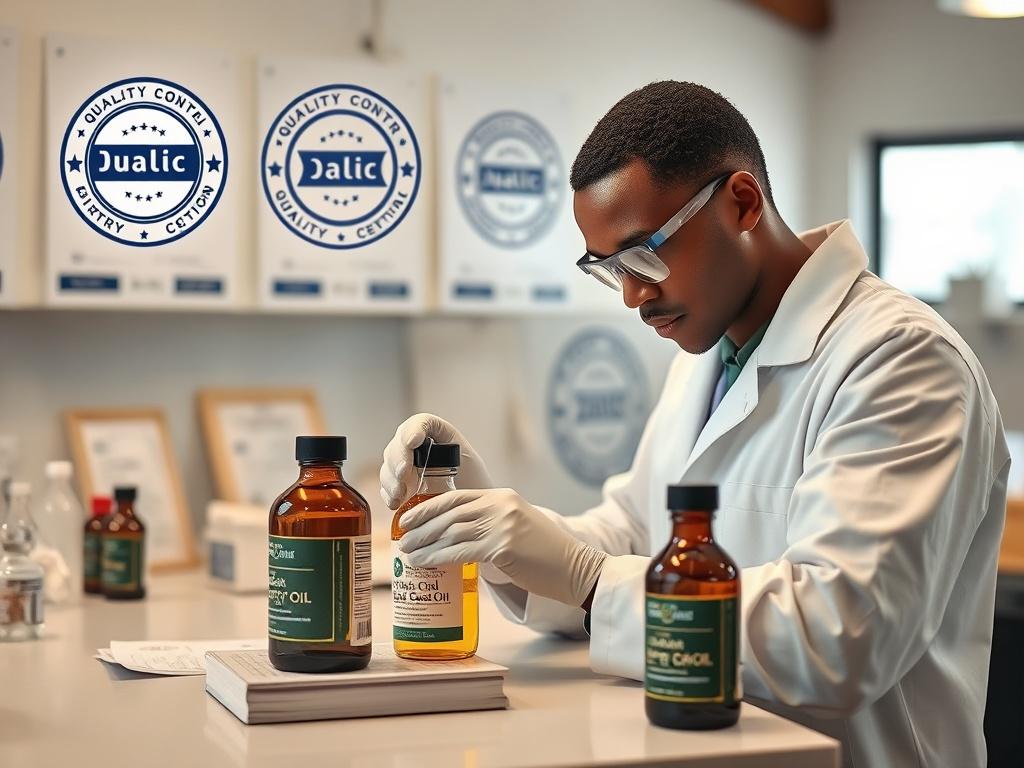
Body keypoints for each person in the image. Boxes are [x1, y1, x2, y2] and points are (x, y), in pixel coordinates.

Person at [380, 81, 1009, 767]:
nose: (632, 295)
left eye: (644, 253)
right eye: (609, 268)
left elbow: (837, 637)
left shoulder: (902, 361)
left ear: (742, 202)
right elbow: (634, 534)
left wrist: (591, 579)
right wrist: (487, 521)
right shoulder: (706, 351)